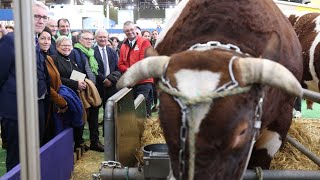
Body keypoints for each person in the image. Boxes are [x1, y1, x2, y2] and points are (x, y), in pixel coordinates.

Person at [0, 1, 50, 171]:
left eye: (44, 17)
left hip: (38, 106)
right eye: (36, 16)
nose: (41, 20)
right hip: (16, 110)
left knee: (35, 152)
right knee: (17, 157)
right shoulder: (10, 40)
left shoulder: (37, 42)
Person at [52, 36, 88, 151]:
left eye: (69, 45)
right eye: (64, 45)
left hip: (75, 95)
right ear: (57, 46)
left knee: (78, 119)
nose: (67, 48)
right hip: (64, 97)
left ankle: (78, 143)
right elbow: (57, 79)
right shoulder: (54, 59)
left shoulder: (71, 59)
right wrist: (75, 84)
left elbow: (77, 74)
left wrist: (82, 82)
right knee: (67, 123)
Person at [73, 30, 104, 152]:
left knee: (94, 118)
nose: (89, 41)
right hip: (82, 91)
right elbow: (72, 71)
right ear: (79, 40)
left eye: (91, 39)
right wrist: (82, 84)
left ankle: (94, 142)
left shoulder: (91, 53)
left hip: (93, 90)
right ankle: (79, 143)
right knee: (82, 117)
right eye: (86, 39)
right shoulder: (75, 52)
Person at [38, 27, 68, 142]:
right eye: (42, 38)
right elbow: (44, 86)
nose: (46, 42)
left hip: (53, 105)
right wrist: (61, 101)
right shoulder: (35, 59)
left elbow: (58, 80)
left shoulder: (49, 58)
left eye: (49, 39)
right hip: (44, 105)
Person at [118, 21, 153, 117]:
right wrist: (128, 70)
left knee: (143, 108)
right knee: (132, 110)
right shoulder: (123, 45)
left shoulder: (144, 42)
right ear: (124, 32)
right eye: (127, 31)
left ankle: (147, 130)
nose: (130, 32)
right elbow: (120, 64)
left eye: (132, 29)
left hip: (144, 81)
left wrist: (130, 71)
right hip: (130, 82)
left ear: (135, 29)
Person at [94, 29, 121, 129]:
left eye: (105, 37)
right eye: (100, 37)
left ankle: (109, 132)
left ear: (108, 37)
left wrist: (110, 79)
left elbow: (118, 69)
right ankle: (95, 139)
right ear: (96, 38)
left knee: (110, 111)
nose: (103, 39)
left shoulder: (112, 52)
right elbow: (93, 70)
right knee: (95, 113)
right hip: (98, 86)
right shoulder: (92, 52)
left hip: (111, 85)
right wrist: (104, 80)